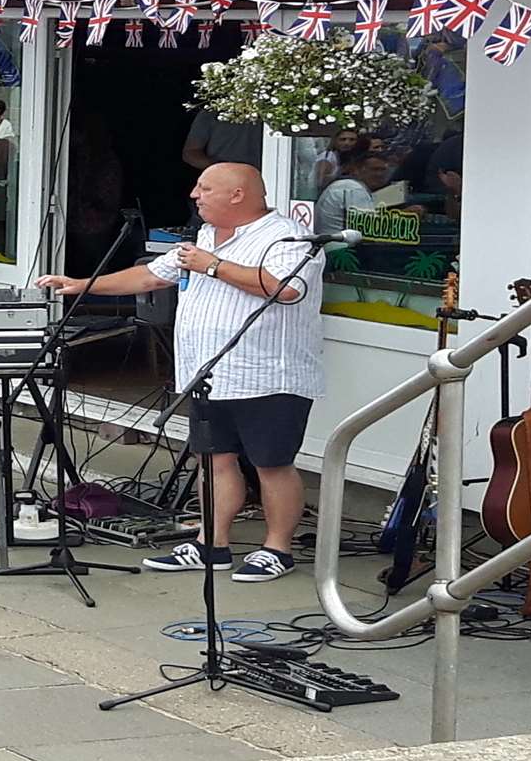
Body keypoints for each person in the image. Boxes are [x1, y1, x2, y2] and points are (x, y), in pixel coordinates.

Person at [37, 163, 323, 584]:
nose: (194, 194)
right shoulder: (203, 237)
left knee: (271, 463)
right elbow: (152, 275)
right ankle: (212, 544)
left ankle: (276, 549)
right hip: (207, 374)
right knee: (213, 460)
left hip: (267, 375)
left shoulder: (286, 237)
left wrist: (212, 265)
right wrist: (84, 284)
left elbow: (284, 287)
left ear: (238, 194)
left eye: (205, 187)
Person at [315, 150, 392, 237]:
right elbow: (369, 229)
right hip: (339, 246)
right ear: (357, 170)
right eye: (374, 169)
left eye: (383, 170)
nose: (379, 174)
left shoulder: (347, 185)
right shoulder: (354, 188)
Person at [181, 108, 263, 171]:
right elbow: (191, 152)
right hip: (223, 179)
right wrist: (221, 169)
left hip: (265, 177)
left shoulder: (270, 111)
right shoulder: (211, 112)